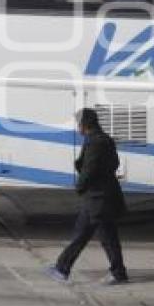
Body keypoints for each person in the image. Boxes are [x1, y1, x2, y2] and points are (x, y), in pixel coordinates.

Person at [46, 109, 129, 285]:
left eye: (79, 124)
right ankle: (62, 268)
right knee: (85, 234)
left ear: (85, 125)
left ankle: (118, 273)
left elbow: (90, 169)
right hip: (100, 197)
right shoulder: (104, 139)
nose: (78, 128)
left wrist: (80, 185)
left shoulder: (94, 143)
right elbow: (114, 163)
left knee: (104, 237)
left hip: (98, 197)